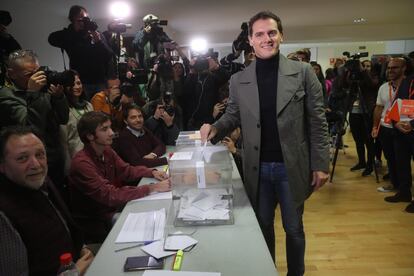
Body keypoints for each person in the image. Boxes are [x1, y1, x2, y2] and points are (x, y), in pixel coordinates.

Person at [200, 11, 329, 275]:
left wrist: (321, 164)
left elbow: (318, 122)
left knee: (294, 228)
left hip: (291, 166)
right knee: (262, 225)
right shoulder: (238, 79)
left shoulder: (304, 73)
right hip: (257, 167)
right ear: (250, 40)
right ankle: (267, 270)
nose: (266, 39)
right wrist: (214, 127)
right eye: (259, 34)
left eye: (271, 32)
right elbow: (233, 114)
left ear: (281, 35)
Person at [0, 126, 93, 275]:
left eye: (40, 155)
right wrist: (74, 272)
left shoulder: (41, 183)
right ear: (2, 166)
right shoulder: (4, 214)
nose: (36, 165)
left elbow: (65, 226)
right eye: (22, 158)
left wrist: (80, 247)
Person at [69, 111, 171, 242]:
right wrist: (152, 188)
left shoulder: (106, 150)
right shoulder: (81, 164)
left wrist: (152, 172)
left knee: (159, 214)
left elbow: (127, 171)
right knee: (153, 228)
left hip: (112, 209)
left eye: (110, 127)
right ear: (90, 136)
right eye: (105, 129)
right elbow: (111, 195)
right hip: (98, 223)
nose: (111, 133)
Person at [0, 49, 69, 192]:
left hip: (54, 156)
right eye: (29, 75)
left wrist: (59, 97)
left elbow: (63, 119)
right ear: (11, 73)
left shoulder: (42, 89)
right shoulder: (7, 97)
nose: (36, 78)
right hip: (31, 165)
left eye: (38, 72)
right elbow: (30, 129)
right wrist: (33, 93)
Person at [48, 5, 114, 99]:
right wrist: (74, 31)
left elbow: (109, 55)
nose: (84, 22)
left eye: (86, 19)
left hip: (100, 82)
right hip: (80, 83)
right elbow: (51, 39)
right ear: (73, 20)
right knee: (84, 110)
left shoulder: (96, 34)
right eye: (80, 20)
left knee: (102, 112)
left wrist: (98, 41)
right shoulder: (69, 36)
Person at [372, 58, 406, 193]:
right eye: (389, 68)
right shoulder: (383, 87)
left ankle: (405, 187)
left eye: (395, 68)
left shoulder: (408, 87)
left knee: (402, 160)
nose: (391, 70)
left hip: (403, 128)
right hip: (386, 127)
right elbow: (379, 108)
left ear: (404, 69)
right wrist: (375, 126)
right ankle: (394, 183)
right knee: (390, 158)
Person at [384, 73, 414, 212]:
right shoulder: (405, 81)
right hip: (400, 130)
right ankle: (404, 192)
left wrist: (412, 124)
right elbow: (396, 103)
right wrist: (395, 122)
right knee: (401, 162)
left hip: (411, 127)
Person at [60, 70, 93, 174]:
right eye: (72, 84)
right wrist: (68, 168)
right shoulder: (63, 110)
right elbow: (63, 142)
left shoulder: (88, 105)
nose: (76, 87)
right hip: (76, 158)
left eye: (78, 83)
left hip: (93, 154)